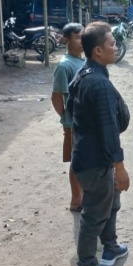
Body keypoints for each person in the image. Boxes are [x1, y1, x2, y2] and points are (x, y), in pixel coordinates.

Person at [66, 22, 130, 266]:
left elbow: (72, 110)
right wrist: (120, 167)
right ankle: (88, 264)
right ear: (98, 51)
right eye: (112, 44)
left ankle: (111, 246)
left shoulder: (83, 73)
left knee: (110, 204)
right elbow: (108, 129)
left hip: (90, 157)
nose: (116, 48)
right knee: (93, 216)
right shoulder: (99, 83)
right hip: (96, 163)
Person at [51, 23, 85, 212]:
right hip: (74, 124)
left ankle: (83, 195)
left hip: (84, 122)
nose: (81, 41)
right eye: (77, 37)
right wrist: (66, 118)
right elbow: (56, 96)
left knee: (84, 159)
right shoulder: (65, 66)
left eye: (83, 36)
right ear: (67, 39)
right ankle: (76, 199)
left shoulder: (82, 61)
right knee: (76, 161)